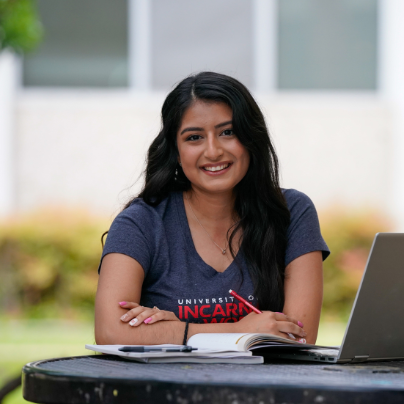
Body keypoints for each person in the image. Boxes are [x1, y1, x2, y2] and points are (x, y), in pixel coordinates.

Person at [94, 72, 329, 346]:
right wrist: (238, 331)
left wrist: (176, 330)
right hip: (167, 387)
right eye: (194, 137)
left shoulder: (292, 212)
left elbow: (298, 337)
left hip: (264, 389)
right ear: (176, 151)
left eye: (227, 132)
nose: (213, 151)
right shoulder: (140, 223)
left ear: (251, 138)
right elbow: (110, 332)